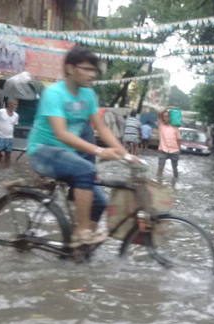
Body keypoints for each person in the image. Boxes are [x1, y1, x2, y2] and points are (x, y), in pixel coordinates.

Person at [27, 46, 128, 246]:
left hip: (68, 156)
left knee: (99, 202)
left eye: (94, 70)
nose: (92, 75)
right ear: (70, 68)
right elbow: (61, 133)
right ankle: (81, 232)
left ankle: (79, 249)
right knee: (86, 169)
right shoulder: (54, 93)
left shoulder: (88, 94)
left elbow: (102, 127)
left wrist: (124, 154)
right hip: (42, 152)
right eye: (87, 69)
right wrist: (100, 151)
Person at [0, 98, 19, 165]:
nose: (16, 106)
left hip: (9, 137)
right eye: (15, 104)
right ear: (9, 104)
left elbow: (14, 126)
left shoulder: (16, 115)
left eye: (17, 105)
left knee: (8, 154)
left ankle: (7, 168)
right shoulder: (1, 111)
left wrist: (12, 134)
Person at [157, 107, 182, 178]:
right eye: (163, 117)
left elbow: (179, 139)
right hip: (162, 150)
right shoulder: (161, 125)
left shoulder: (175, 127)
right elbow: (159, 113)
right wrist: (168, 107)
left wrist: (179, 149)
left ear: (170, 118)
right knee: (160, 169)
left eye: (167, 117)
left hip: (175, 150)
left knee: (175, 169)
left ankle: (175, 184)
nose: (165, 118)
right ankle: (158, 184)